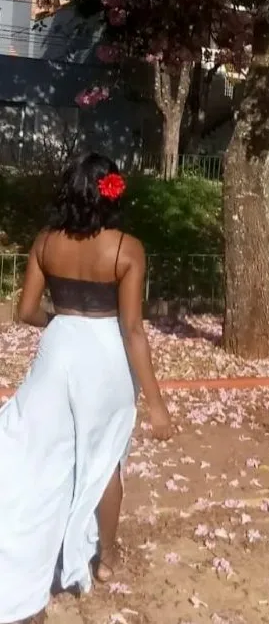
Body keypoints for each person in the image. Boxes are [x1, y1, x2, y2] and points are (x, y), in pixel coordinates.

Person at [0, 153, 173, 624]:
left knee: (43, 448)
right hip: (106, 353)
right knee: (105, 454)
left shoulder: (45, 241)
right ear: (111, 192)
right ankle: (107, 555)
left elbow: (26, 312)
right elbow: (133, 329)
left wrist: (61, 325)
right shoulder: (127, 249)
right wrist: (156, 404)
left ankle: (33, 538)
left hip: (59, 348)